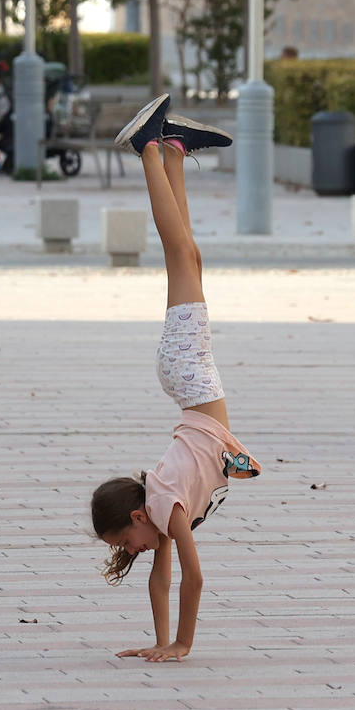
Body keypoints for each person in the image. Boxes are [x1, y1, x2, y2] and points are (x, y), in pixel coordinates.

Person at [91, 94, 261, 663]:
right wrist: (160, 643)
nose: (135, 551)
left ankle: (148, 149)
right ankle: (175, 148)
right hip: (187, 377)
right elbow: (162, 581)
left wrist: (183, 644)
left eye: (126, 542)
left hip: (190, 377)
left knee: (180, 256)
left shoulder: (164, 508)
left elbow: (194, 576)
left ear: (137, 516)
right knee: (190, 257)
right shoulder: (162, 512)